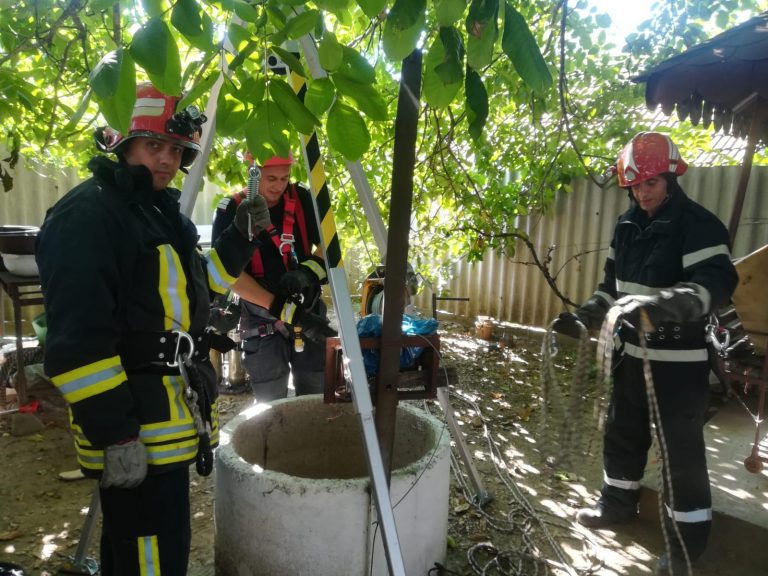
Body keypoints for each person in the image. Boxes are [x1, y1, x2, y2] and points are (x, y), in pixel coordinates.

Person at [35, 82, 270, 576]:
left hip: (164, 424)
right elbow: (77, 344)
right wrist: (117, 435)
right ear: (122, 145)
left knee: (144, 548)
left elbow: (195, 288)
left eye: (176, 150)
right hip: (134, 431)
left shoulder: (155, 211)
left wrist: (239, 239)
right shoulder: (88, 215)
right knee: (149, 559)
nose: (166, 159)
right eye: (153, 145)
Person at [552, 132, 738, 574]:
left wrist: (665, 305)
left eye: (651, 183)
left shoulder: (698, 224)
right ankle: (617, 503)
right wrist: (587, 316)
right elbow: (610, 289)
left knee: (680, 456)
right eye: (635, 185)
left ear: (671, 179)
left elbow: (714, 284)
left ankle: (685, 546)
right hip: (629, 356)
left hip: (678, 365)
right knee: (622, 432)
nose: (642, 192)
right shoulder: (626, 225)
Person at [211, 153, 335, 402]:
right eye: (271, 179)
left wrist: (307, 273)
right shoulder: (231, 210)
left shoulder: (302, 200)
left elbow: (330, 246)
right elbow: (229, 275)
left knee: (316, 395)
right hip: (262, 319)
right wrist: (281, 308)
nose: (279, 186)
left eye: (284, 178)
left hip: (307, 309)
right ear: (253, 174)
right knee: (271, 403)